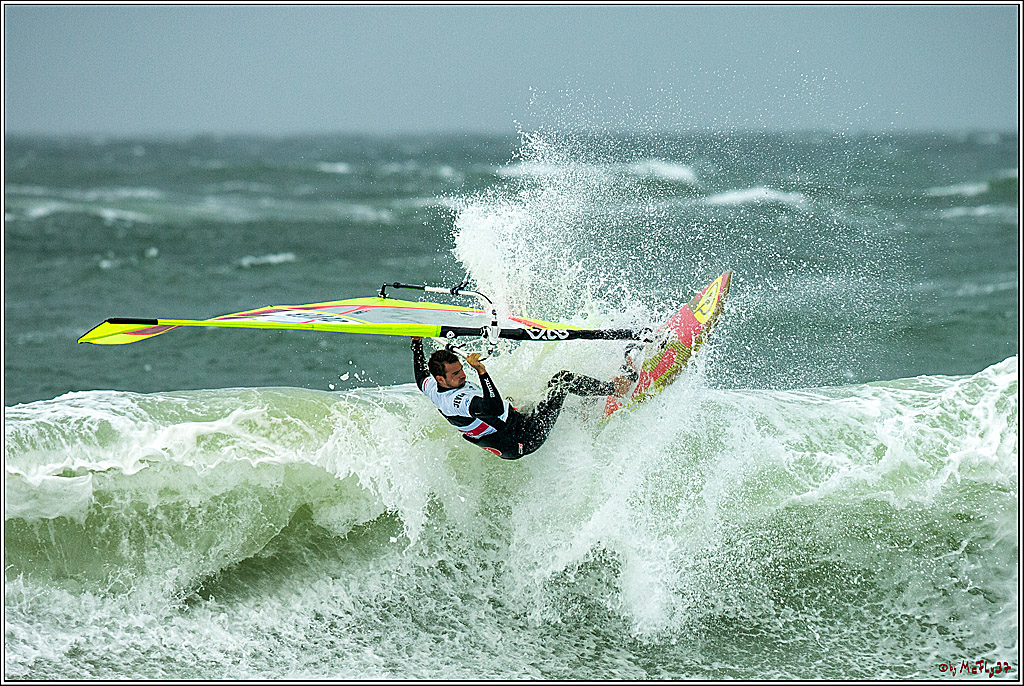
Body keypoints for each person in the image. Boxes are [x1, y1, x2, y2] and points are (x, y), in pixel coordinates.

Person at [411, 337, 630, 459]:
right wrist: (481, 371)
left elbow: (420, 375)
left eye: (462, 369)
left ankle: (581, 411)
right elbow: (494, 407)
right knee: (562, 381)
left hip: (510, 431)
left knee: (530, 398)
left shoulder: (432, 386)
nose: (462, 374)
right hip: (524, 438)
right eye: (456, 373)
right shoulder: (456, 402)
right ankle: (617, 387)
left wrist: (416, 343)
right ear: (441, 379)